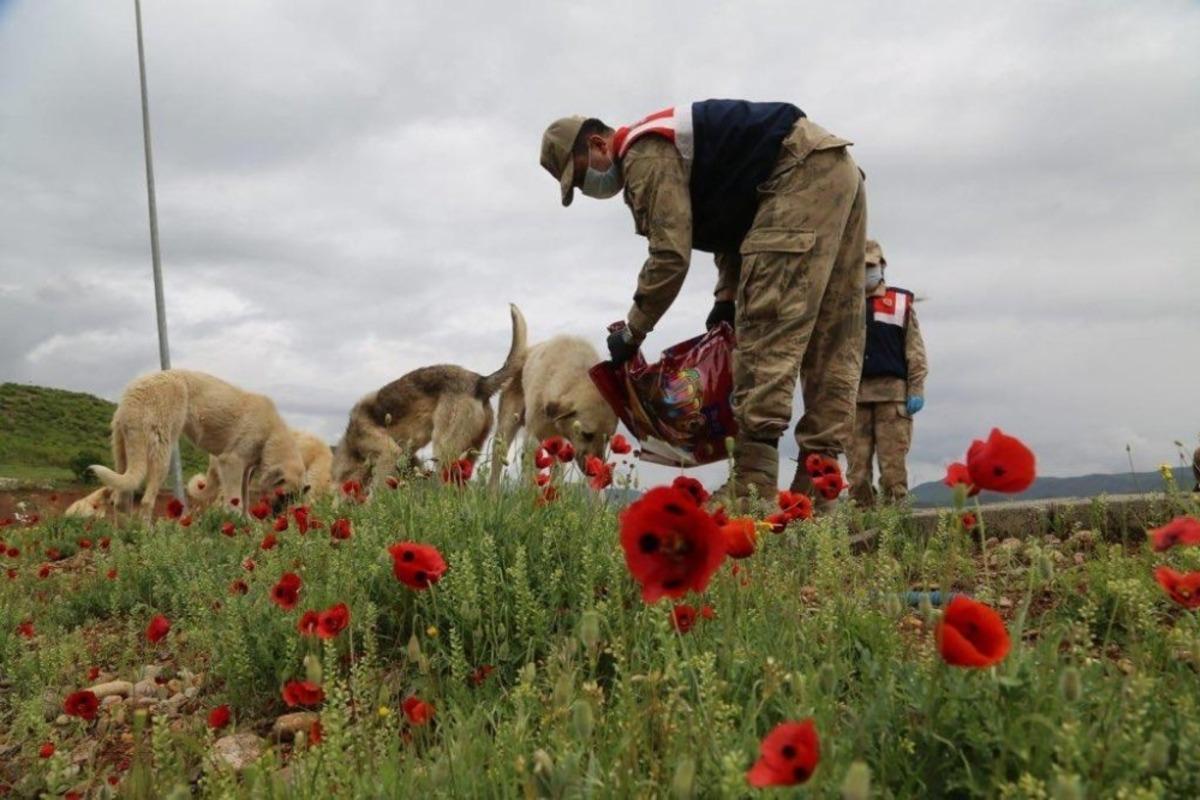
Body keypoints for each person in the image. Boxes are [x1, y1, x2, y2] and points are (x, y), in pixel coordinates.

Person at [539, 100, 866, 505]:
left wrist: (633, 329)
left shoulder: (642, 154)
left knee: (766, 325)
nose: (587, 189)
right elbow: (739, 215)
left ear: (597, 144)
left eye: (580, 177)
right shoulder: (668, 144)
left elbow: (669, 255)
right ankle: (819, 485)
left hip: (796, 173)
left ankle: (752, 484)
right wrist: (726, 295)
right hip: (834, 168)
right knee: (833, 332)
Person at [846, 240, 928, 506]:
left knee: (893, 469)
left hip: (892, 397)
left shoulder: (900, 303)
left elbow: (915, 351)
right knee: (856, 472)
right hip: (854, 397)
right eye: (860, 267)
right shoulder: (843, 305)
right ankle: (860, 520)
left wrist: (916, 388)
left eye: (870, 266)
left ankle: (897, 520)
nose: (865, 272)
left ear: (881, 266)